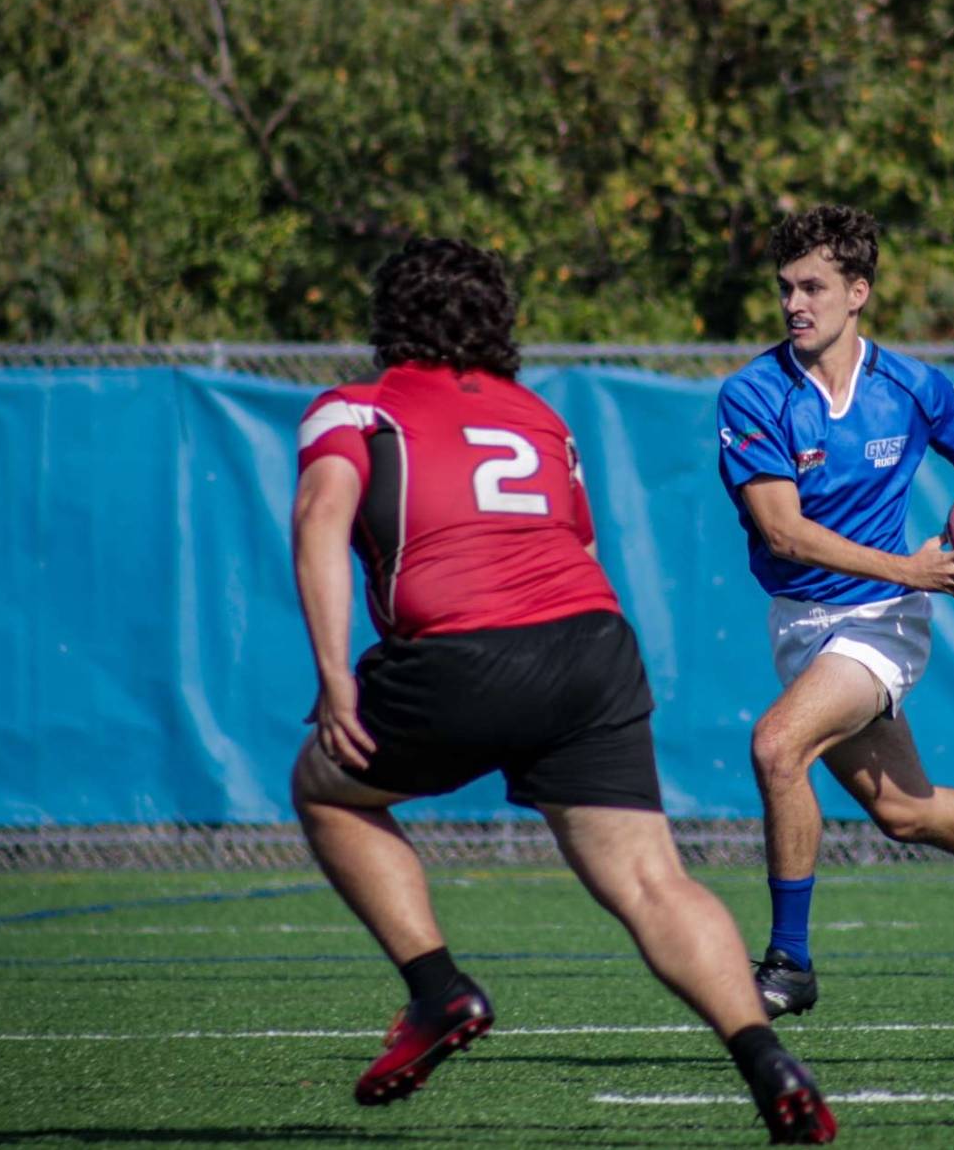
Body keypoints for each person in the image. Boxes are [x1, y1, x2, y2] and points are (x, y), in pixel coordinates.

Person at [289, 236, 836, 1143]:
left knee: (326, 789)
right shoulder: (539, 417)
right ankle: (764, 1057)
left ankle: (437, 991)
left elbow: (320, 515)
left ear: (393, 319)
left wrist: (334, 672)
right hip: (591, 648)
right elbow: (577, 550)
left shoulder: (356, 406)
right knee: (654, 882)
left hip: (460, 651)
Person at [714, 204, 954, 1019]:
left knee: (776, 746)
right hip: (805, 621)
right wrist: (913, 563)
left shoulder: (913, 386)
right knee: (904, 811)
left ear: (857, 291)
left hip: (882, 621)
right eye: (786, 287)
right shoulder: (752, 394)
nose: (796, 303)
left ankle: (789, 962)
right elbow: (783, 532)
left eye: (815, 286)